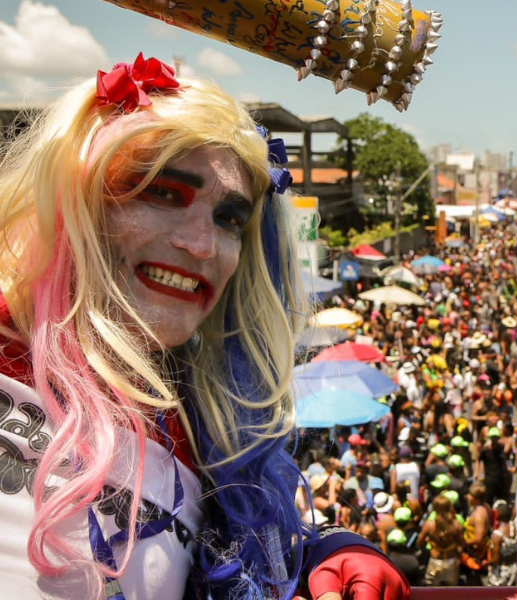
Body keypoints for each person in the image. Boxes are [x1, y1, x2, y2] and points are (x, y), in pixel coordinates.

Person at [0, 54, 406, 599]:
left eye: (229, 218)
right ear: (78, 197)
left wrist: (320, 553)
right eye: (164, 193)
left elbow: (227, 558)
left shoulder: (202, 427)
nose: (202, 245)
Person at [417, 495, 464, 586]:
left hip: (435, 562)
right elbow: (462, 544)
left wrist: (431, 546)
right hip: (451, 562)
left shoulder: (429, 525)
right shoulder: (456, 525)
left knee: (431, 591)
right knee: (451, 593)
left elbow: (419, 542)